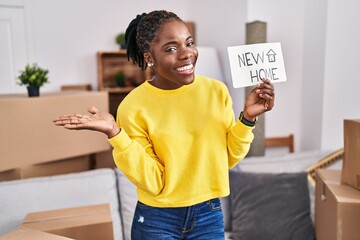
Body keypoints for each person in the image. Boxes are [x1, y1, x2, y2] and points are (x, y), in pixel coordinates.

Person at [53, 10, 275, 240]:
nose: (186, 54)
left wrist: (247, 118)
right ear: (149, 58)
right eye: (171, 48)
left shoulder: (216, 91)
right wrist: (116, 134)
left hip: (208, 214)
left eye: (189, 43)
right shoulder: (133, 106)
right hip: (157, 219)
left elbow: (227, 158)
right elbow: (154, 181)